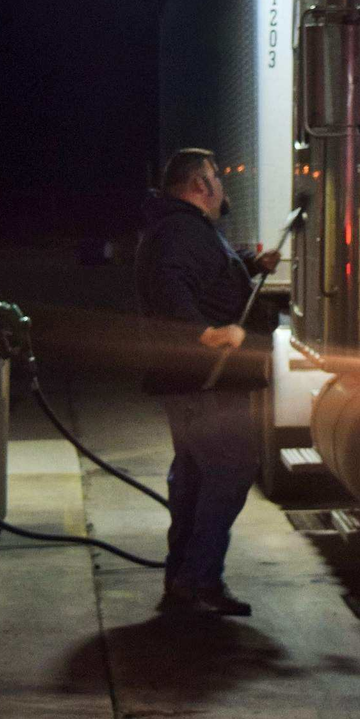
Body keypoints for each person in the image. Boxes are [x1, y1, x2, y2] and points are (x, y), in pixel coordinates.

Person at [135, 148, 281, 616]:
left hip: (196, 383)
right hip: (205, 383)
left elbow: (200, 268)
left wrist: (250, 265)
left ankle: (184, 578)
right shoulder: (179, 230)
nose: (222, 185)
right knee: (231, 470)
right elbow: (169, 282)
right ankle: (198, 581)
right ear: (200, 184)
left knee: (195, 478)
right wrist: (207, 333)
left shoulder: (183, 228)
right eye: (217, 177)